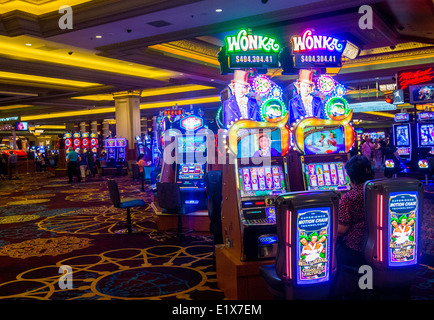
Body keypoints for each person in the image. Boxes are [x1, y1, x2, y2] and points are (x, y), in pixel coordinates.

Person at [337, 155, 374, 268]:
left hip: (356, 248)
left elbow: (341, 230)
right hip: (379, 245)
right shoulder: (378, 191)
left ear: (352, 177)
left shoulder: (349, 197)